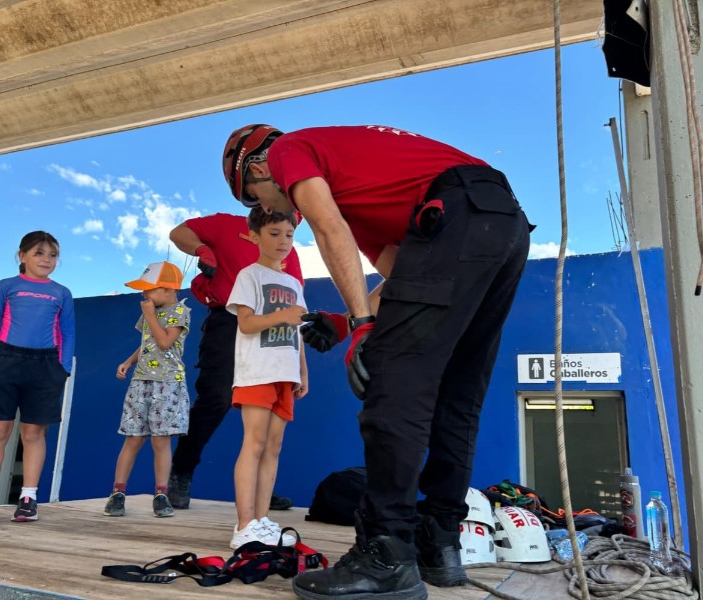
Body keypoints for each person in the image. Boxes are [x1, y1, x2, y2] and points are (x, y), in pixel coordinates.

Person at [222, 124, 533, 599]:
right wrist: (348, 322)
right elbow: (405, 281)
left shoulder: (288, 149)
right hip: (502, 223)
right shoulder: (369, 200)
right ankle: (440, 542)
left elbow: (328, 229)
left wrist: (365, 326)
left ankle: (384, 552)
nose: (265, 206)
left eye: (254, 194)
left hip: (456, 211)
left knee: (394, 382)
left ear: (258, 166)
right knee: (459, 389)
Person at [167, 212, 303, 510]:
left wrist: (300, 366)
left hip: (272, 330)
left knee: (267, 408)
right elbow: (178, 233)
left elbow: (294, 305)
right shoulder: (226, 223)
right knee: (216, 398)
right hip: (229, 322)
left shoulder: (288, 250)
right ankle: (181, 470)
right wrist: (203, 250)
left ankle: (260, 489)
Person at [0, 231, 75, 523]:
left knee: (33, 433)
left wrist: (62, 368)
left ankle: (28, 498)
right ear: (22, 255)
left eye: (52, 255)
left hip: (45, 365)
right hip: (6, 362)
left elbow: (67, 333)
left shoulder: (62, 292)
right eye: (39, 253)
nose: (46, 260)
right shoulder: (6, 286)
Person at [226, 207, 308, 548]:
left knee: (273, 447)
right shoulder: (250, 275)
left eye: (288, 235)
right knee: (255, 443)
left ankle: (261, 521)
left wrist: (302, 371)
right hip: (257, 371)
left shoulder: (294, 283)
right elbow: (246, 323)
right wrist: (285, 316)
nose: (283, 241)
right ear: (256, 236)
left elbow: (298, 332)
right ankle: (243, 525)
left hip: (285, 373)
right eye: (274, 233)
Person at [103, 261, 191, 518]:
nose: (144, 295)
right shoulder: (150, 311)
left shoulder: (179, 312)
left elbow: (164, 342)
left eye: (148, 290)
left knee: (160, 440)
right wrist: (129, 362)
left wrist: (151, 315)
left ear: (167, 289)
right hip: (141, 381)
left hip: (168, 383)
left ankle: (161, 494)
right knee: (133, 438)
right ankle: (118, 493)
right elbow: (148, 342)